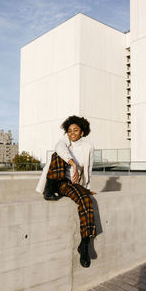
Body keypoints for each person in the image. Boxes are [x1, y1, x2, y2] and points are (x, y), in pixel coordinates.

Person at [36, 115, 96, 268]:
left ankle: (84, 244)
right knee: (56, 155)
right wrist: (73, 164)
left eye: (75, 130)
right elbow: (59, 148)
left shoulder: (88, 147)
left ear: (82, 132)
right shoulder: (64, 143)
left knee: (85, 200)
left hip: (69, 185)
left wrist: (86, 189)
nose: (72, 133)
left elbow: (88, 170)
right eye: (69, 131)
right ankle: (49, 188)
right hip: (57, 180)